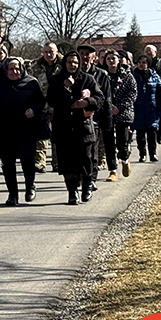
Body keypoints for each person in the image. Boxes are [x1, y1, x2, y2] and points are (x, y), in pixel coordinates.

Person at [0, 56, 44, 205]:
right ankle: (13, 195)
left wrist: (34, 109)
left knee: (27, 162)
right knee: (8, 164)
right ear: (5, 70)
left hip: (26, 129)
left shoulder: (31, 82)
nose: (14, 71)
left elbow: (41, 101)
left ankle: (30, 186)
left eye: (17, 68)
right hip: (3, 130)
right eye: (11, 69)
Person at [47, 51, 105, 205]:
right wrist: (64, 88)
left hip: (83, 128)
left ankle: (87, 187)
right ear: (64, 63)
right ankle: (72, 192)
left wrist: (87, 103)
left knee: (86, 160)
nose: (72, 65)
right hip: (63, 127)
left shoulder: (88, 79)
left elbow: (100, 98)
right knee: (66, 163)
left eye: (75, 62)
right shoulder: (56, 80)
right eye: (69, 62)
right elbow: (51, 100)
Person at [78, 43, 112, 192]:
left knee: (92, 152)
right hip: (77, 119)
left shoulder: (101, 74)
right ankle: (81, 177)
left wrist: (107, 120)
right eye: (82, 54)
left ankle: (92, 179)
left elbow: (107, 98)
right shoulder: (73, 73)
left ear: (93, 57)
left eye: (87, 54)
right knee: (79, 152)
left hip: (95, 119)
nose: (84, 57)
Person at [101, 49, 136, 181]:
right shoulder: (102, 75)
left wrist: (119, 107)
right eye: (108, 59)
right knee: (108, 143)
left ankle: (125, 159)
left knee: (122, 142)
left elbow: (132, 93)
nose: (111, 61)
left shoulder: (127, 75)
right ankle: (112, 170)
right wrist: (108, 106)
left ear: (118, 60)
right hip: (107, 112)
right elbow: (98, 92)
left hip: (123, 113)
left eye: (113, 59)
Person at [31, 42, 63, 173]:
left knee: (58, 135)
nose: (48, 54)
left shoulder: (64, 65)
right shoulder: (36, 66)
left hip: (59, 105)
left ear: (56, 52)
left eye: (51, 52)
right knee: (41, 135)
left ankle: (57, 162)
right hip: (42, 104)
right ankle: (40, 162)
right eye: (46, 52)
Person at [132, 55, 161, 163]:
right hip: (138, 109)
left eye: (144, 62)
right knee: (140, 133)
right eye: (139, 62)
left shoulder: (154, 76)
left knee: (152, 132)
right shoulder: (133, 75)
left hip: (152, 108)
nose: (141, 65)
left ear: (148, 64)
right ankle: (142, 154)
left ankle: (153, 154)